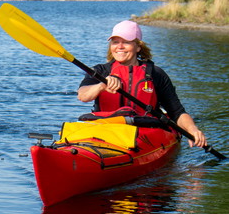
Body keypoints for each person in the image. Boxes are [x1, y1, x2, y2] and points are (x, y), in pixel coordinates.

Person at [77, 20, 208, 148]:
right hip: (105, 130)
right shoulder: (100, 71)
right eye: (115, 42)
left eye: (126, 42)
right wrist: (101, 86)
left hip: (144, 134)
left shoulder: (155, 74)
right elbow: (83, 95)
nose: (119, 46)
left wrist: (192, 130)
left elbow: (177, 112)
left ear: (138, 46)